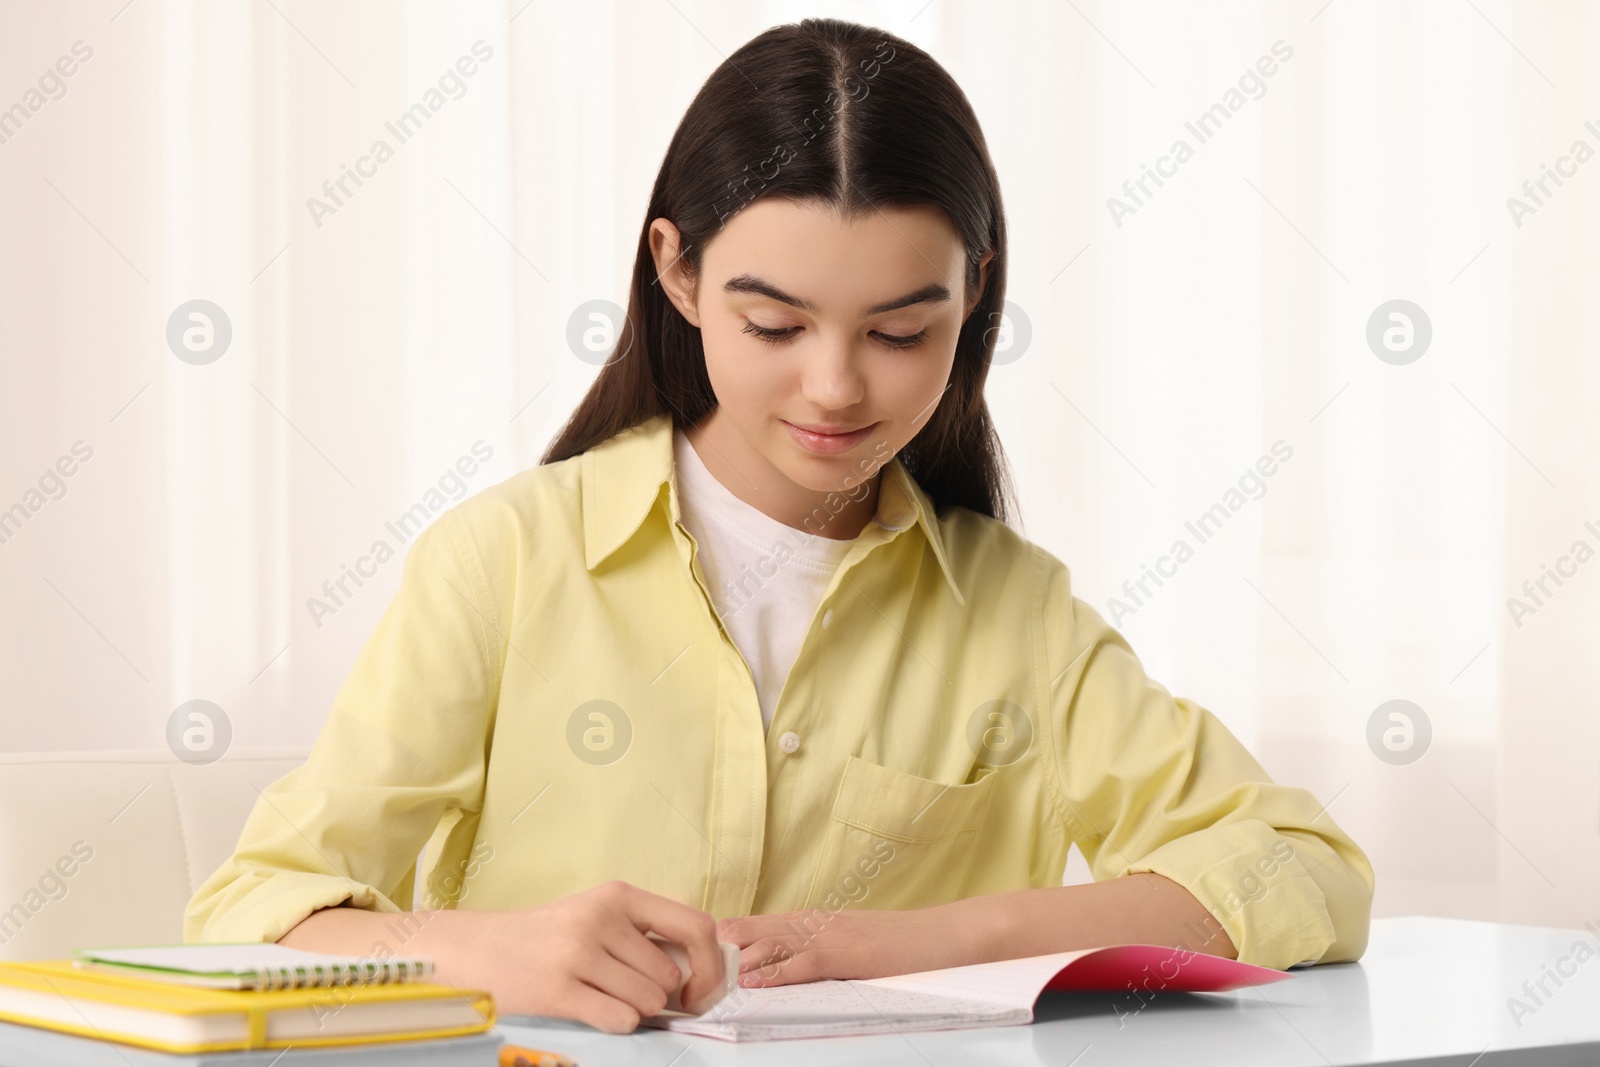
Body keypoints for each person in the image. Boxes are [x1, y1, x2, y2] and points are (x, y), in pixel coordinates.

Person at [185, 17, 1373, 1035]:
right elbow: (249, 914)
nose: (836, 388)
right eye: (775, 325)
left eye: (901, 332)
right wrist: (499, 951)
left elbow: (1304, 869)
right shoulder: (505, 561)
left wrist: (914, 939)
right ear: (680, 273)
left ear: (974, 297)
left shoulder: (1010, 608)